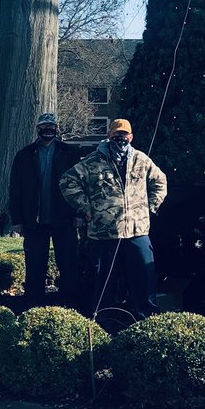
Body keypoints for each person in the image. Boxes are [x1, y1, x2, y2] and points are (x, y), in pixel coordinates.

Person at [59, 118, 167, 317]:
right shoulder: (93, 161)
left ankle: (147, 319)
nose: (121, 138)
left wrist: (151, 207)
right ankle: (103, 320)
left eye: (124, 134)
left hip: (137, 232)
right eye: (116, 134)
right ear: (109, 136)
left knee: (144, 277)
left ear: (131, 137)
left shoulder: (142, 160)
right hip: (103, 233)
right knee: (103, 281)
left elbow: (160, 181)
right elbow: (67, 181)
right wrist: (84, 206)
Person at [9, 113, 81, 307]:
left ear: (57, 129)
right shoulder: (24, 155)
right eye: (44, 127)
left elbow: (82, 186)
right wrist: (17, 220)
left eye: (51, 127)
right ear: (37, 129)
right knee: (34, 264)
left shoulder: (70, 153)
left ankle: (69, 302)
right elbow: (15, 189)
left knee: (68, 262)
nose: (48, 131)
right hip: (34, 220)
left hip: (64, 218)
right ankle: (33, 304)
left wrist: (79, 214)